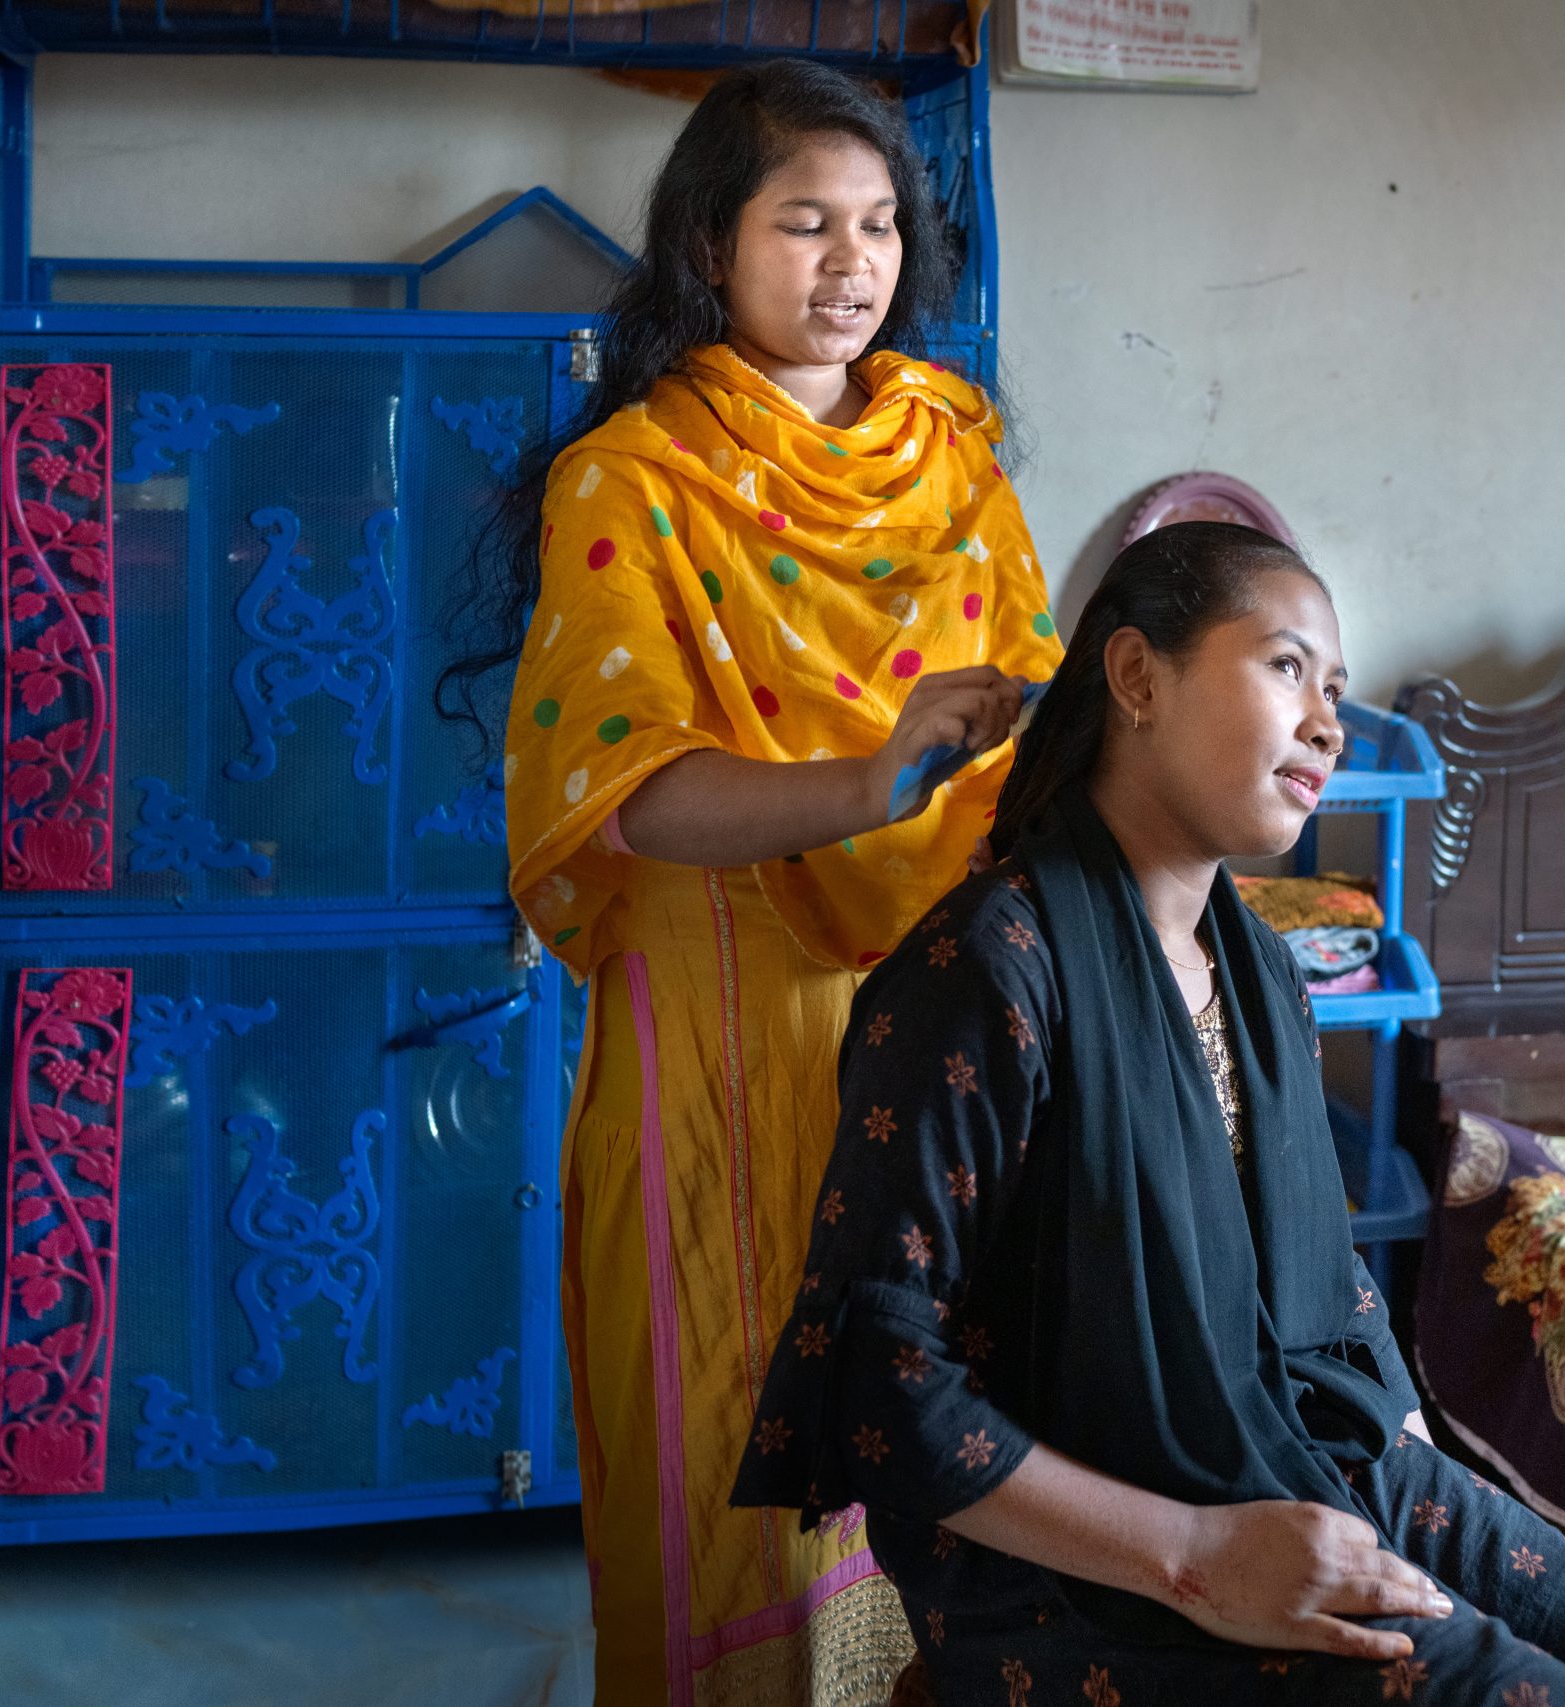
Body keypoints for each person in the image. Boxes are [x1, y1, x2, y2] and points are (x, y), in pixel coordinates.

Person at [732, 523, 1565, 1705]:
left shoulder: (1263, 970)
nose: (1326, 721)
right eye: (1285, 667)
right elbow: (878, 1386)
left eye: (1336, 689)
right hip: (1084, 1573)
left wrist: (1419, 1491)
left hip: (1313, 1460)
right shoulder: (989, 971)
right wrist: (1200, 1561)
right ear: (1135, 678)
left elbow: (1319, 1274)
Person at [452, 58, 1063, 1705]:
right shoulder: (633, 481)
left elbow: (1037, 747)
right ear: (710, 248)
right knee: (735, 1438)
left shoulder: (954, 457)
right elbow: (622, 796)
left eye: (877, 223)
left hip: (939, 1027)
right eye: (806, 221)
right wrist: (874, 782)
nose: (851, 260)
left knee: (943, 1413)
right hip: (724, 1040)